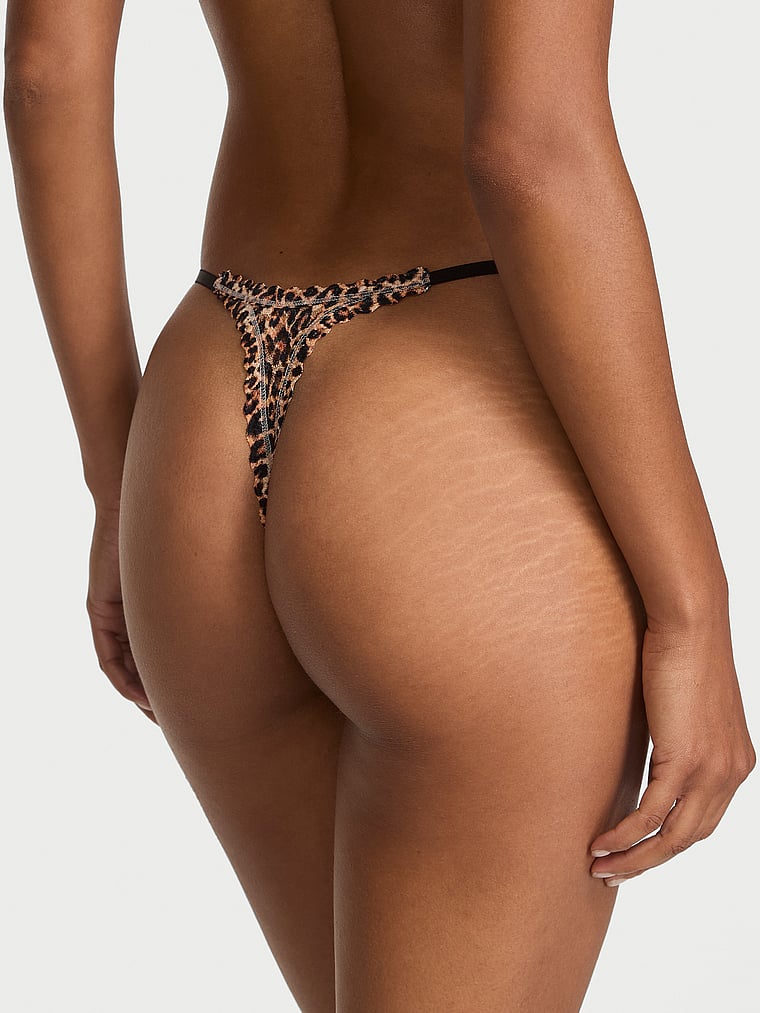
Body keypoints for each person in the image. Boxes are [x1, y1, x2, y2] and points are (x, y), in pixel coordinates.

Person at [4, 1, 755, 1009]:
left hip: (198, 417)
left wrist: (113, 485)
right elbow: (528, 149)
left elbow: (43, 74)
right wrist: (691, 603)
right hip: (444, 432)